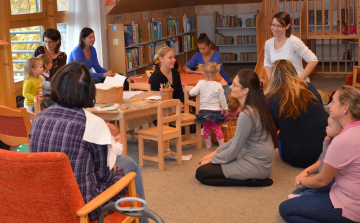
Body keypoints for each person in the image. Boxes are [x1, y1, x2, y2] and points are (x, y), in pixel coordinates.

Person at [29, 62, 147, 222]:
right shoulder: (92, 123)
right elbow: (105, 177)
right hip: (86, 208)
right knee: (128, 163)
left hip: (48, 202)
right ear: (89, 91)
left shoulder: (39, 118)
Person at [279, 85, 360, 223]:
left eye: (333, 101)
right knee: (299, 195)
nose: (329, 105)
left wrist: (302, 181)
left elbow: (322, 181)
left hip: (351, 206)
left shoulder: (343, 140)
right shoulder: (354, 130)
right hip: (350, 192)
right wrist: (307, 173)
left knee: (285, 209)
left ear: (345, 108)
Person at [195, 69, 277, 187]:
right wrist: (213, 153)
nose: (231, 87)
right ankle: (251, 178)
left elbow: (234, 151)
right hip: (259, 163)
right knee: (207, 165)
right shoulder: (256, 106)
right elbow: (237, 139)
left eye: (234, 84)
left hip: (256, 166)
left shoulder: (247, 114)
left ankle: (252, 181)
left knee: (201, 173)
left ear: (245, 90)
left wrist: (212, 159)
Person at [266, 60, 328, 168]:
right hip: (324, 153)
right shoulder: (309, 87)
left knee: (283, 131)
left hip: (295, 158)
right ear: (293, 72)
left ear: (273, 76)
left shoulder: (271, 97)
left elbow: (271, 131)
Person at [288, 117, 342, 199]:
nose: (326, 127)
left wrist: (326, 141)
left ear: (340, 130)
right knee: (297, 191)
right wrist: (307, 172)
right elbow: (321, 161)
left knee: (317, 188)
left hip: (331, 179)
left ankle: (307, 196)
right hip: (322, 173)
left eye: (330, 126)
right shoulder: (332, 139)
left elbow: (325, 158)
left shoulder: (335, 144)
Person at [264, 12, 318, 82]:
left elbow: (313, 60)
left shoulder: (294, 41)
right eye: (273, 25)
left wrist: (299, 81)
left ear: (287, 26)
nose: (275, 28)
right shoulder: (268, 43)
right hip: (281, 85)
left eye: (280, 26)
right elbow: (267, 63)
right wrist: (272, 80)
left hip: (297, 85)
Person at [189, 62, 228, 148]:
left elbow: (192, 93)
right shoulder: (218, 85)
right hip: (215, 111)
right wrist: (225, 108)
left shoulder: (201, 83)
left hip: (204, 111)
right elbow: (222, 98)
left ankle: (208, 145)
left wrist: (189, 90)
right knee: (217, 128)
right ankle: (221, 144)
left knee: (206, 128)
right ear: (216, 74)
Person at [183, 33, 232, 99]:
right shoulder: (198, 55)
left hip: (223, 82)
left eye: (204, 48)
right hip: (208, 83)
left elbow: (213, 69)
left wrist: (201, 69)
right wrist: (186, 69)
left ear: (209, 46)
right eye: (199, 49)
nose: (201, 51)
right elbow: (186, 66)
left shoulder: (217, 55)